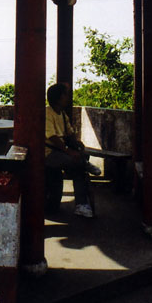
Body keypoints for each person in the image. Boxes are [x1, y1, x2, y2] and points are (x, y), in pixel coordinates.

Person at [45, 83, 97, 218]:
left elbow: (69, 132)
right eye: (65, 94)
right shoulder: (48, 113)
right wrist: (69, 151)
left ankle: (82, 204)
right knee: (78, 164)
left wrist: (76, 143)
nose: (68, 98)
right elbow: (52, 137)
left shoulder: (62, 114)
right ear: (58, 97)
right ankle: (81, 204)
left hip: (60, 151)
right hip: (49, 153)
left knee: (79, 161)